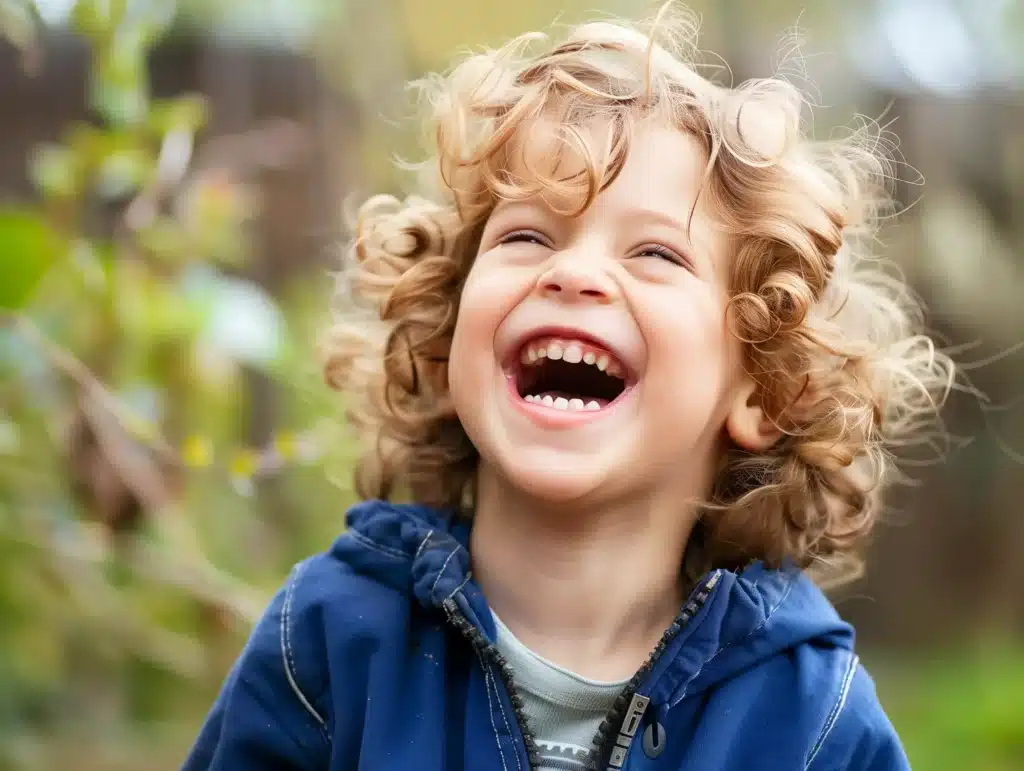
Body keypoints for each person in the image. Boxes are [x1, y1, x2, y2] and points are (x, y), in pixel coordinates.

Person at [183, 4, 953, 770]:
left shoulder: (811, 720)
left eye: (655, 252)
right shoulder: (329, 643)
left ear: (759, 392)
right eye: (526, 235)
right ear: (448, 339)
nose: (575, 272)